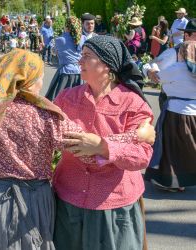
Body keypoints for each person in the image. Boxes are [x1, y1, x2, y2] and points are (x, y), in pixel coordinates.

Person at [0, 48, 154, 250]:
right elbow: (88, 149)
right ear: (29, 80)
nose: (42, 83)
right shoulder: (45, 116)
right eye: (40, 77)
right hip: (29, 201)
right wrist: (135, 136)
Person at [52, 35, 154, 250]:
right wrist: (123, 140)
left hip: (114, 204)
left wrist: (102, 146)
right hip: (69, 199)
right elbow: (55, 136)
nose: (80, 61)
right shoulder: (66, 98)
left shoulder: (133, 103)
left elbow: (141, 156)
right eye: (81, 55)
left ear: (107, 65)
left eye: (87, 56)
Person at [143, 19, 196, 192]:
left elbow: (158, 74)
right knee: (179, 148)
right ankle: (177, 180)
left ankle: (175, 180)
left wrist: (152, 72)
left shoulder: (177, 68)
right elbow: (152, 67)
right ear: (187, 35)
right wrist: (150, 70)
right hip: (180, 108)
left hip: (178, 111)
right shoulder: (174, 54)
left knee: (174, 149)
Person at [45, 16, 83, 101]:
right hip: (79, 73)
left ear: (66, 26)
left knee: (59, 99)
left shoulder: (59, 39)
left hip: (65, 72)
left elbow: (54, 52)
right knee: (76, 100)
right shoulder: (82, 39)